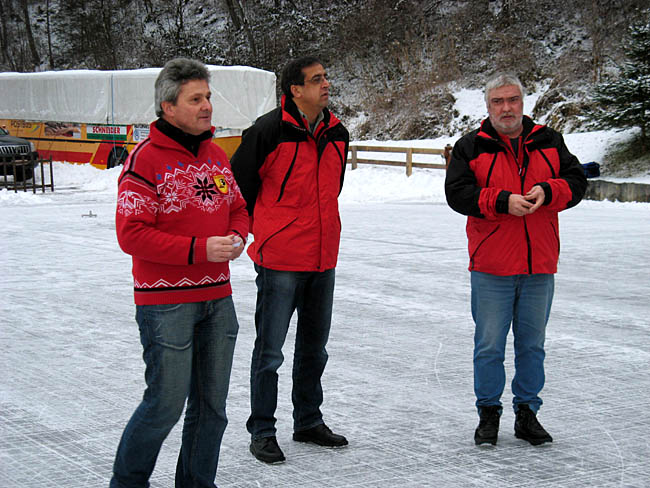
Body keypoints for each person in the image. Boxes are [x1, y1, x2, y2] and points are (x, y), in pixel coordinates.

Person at [110, 58, 248, 488]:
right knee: (165, 403)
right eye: (196, 98)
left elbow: (239, 209)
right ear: (168, 106)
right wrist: (199, 250)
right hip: (165, 302)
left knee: (213, 408)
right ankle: (128, 483)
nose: (207, 106)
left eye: (208, 96)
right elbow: (131, 234)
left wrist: (238, 236)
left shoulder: (216, 156)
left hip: (217, 299)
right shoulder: (145, 161)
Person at [445, 72, 587, 447]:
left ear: (523, 103)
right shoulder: (471, 146)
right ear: (488, 106)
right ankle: (488, 414)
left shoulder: (549, 140)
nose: (506, 108)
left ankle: (528, 414)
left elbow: (576, 181)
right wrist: (501, 200)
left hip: (539, 264)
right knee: (489, 345)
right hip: (492, 265)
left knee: (532, 345)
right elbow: (457, 194)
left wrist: (549, 189)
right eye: (497, 102)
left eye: (512, 100)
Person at [230, 56, 349, 464]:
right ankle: (262, 429)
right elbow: (239, 188)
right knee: (270, 352)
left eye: (325, 76)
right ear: (294, 89)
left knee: (314, 349)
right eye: (317, 79)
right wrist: (250, 233)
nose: (326, 84)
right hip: (279, 259)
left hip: (322, 258)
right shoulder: (267, 131)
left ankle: (308, 421)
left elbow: (331, 192)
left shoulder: (338, 133)